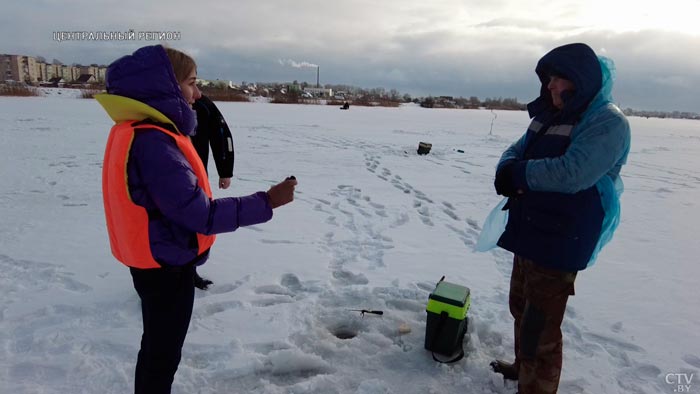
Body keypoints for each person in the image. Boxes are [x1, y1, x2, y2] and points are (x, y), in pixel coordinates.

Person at [96, 45, 297, 394]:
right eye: (191, 82)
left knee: (159, 344)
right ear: (165, 88)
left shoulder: (142, 133)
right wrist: (267, 201)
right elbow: (200, 214)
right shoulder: (154, 145)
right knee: (162, 351)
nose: (198, 92)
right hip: (166, 266)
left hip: (156, 258)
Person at [489, 43, 630, 393]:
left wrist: (518, 176)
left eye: (558, 78)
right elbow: (515, 150)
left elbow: (573, 173)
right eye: (548, 79)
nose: (550, 86)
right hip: (530, 231)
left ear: (580, 80)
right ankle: (523, 369)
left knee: (541, 329)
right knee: (520, 307)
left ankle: (536, 385)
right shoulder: (550, 116)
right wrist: (508, 167)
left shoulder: (607, 122)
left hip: (561, 239)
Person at [190, 95, 235, 290]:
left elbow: (221, 135)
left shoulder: (202, 105)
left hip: (195, 181)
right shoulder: (151, 106)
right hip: (159, 184)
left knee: (192, 227)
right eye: (191, 82)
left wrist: (225, 170)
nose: (197, 91)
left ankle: (189, 271)